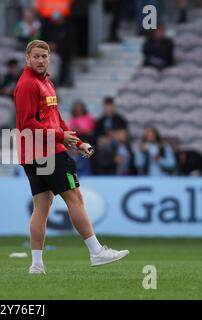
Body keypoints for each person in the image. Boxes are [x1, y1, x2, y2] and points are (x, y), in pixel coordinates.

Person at [13, 40, 129, 274]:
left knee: (42, 206)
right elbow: (26, 124)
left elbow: (55, 119)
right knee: (74, 197)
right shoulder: (27, 84)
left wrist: (77, 142)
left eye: (44, 56)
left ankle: (36, 265)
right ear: (27, 58)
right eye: (36, 56)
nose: (41, 60)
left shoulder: (46, 82)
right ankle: (96, 252)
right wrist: (60, 137)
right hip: (47, 151)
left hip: (35, 152)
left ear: (49, 58)